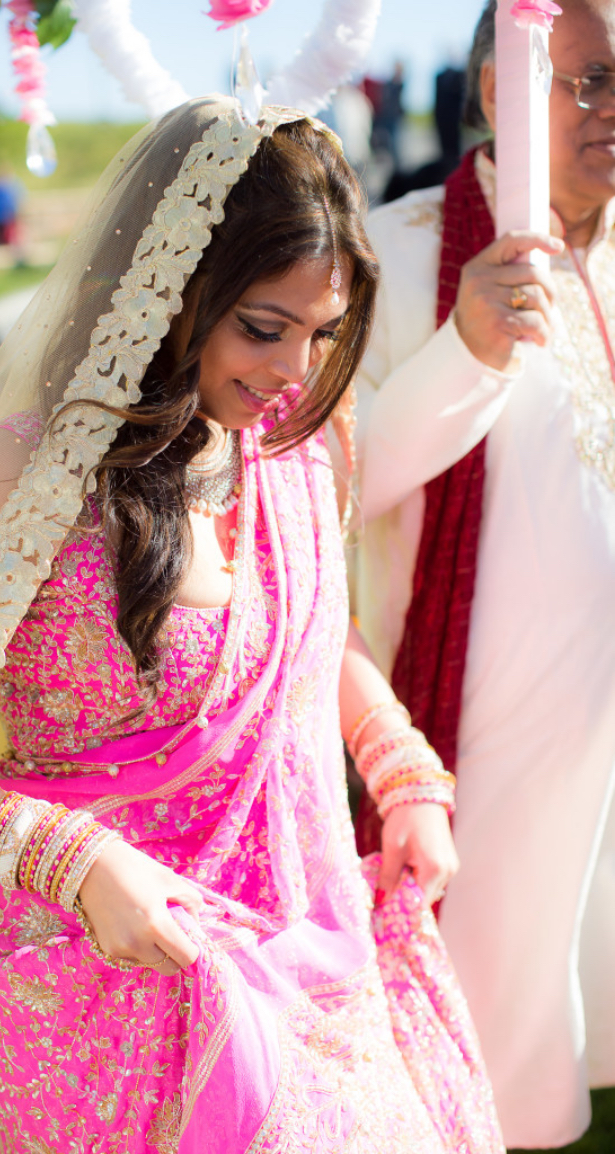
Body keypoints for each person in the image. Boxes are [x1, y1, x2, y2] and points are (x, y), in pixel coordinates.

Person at [0, 98, 504, 1153]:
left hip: (301, 930)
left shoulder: (291, 442)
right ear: (170, 291)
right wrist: (76, 861)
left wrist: (398, 766)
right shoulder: (23, 472)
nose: (294, 370)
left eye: (322, 333)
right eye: (260, 325)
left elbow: (304, 642)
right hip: (95, 972)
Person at [350, 0, 615, 1146]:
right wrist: (463, 346)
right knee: (482, 1061)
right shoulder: (398, 251)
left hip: (597, 735)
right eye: (588, 81)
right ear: (498, 91)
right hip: (474, 747)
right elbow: (319, 492)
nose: (612, 111)